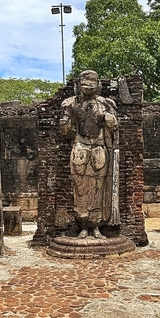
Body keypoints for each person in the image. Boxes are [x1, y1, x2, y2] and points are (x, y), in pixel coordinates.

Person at [59, 70, 120, 238]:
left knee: (98, 188)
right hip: (80, 144)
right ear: (79, 85)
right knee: (80, 187)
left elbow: (114, 127)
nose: (88, 90)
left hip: (99, 145)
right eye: (85, 86)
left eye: (92, 86)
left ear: (97, 86)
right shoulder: (71, 103)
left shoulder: (105, 103)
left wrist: (109, 118)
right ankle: (83, 225)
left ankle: (96, 226)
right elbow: (64, 131)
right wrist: (64, 122)